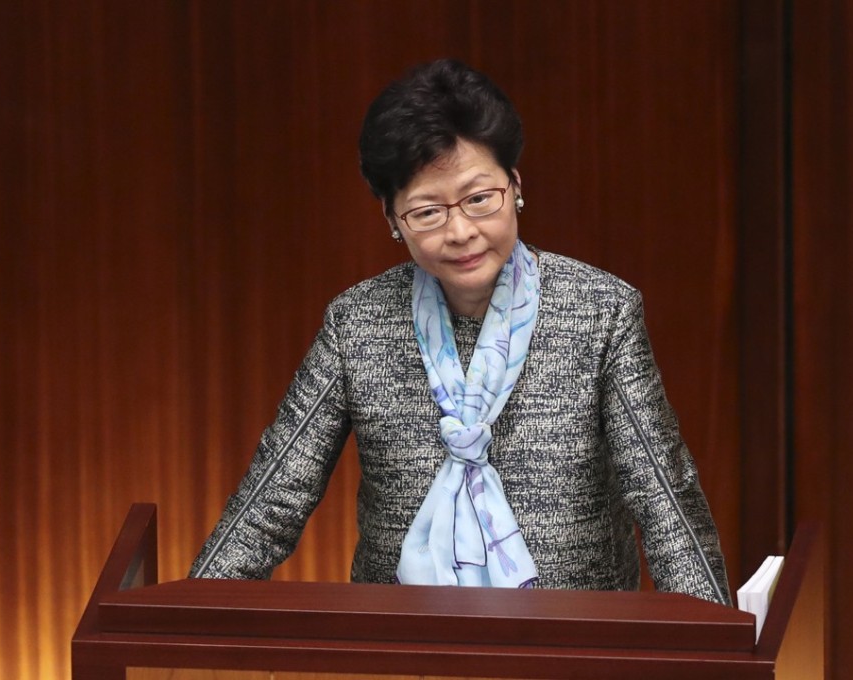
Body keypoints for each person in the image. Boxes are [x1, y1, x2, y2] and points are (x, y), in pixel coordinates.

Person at [190, 59, 730, 605]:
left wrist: (714, 641)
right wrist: (185, 614)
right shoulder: (357, 323)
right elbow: (275, 493)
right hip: (404, 639)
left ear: (515, 186)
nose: (461, 231)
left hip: (573, 639)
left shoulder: (600, 311)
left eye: (479, 198)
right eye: (427, 211)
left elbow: (664, 495)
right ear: (392, 219)